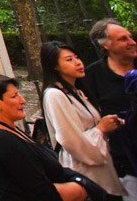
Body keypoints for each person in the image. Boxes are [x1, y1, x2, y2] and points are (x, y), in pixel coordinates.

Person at [0, 70, 87, 201]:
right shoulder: (1, 138)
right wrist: (82, 189)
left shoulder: (7, 127)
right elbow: (41, 191)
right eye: (14, 96)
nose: (22, 100)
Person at [41, 40, 125, 199]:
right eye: (69, 60)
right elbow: (71, 141)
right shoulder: (55, 95)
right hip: (83, 169)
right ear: (55, 66)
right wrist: (100, 128)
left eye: (76, 57)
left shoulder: (75, 91)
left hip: (100, 168)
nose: (78, 62)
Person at [85, 18, 137, 198]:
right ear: (105, 45)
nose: (132, 42)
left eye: (131, 37)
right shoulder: (92, 76)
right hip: (127, 164)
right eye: (123, 39)